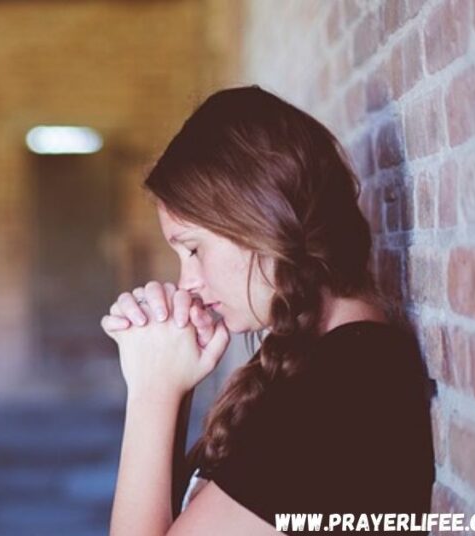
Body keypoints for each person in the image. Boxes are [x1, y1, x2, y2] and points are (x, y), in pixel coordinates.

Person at [101, 85, 434, 535]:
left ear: (261, 221)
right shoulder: (318, 364)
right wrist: (172, 385)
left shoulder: (345, 392)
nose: (187, 283)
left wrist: (151, 393)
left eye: (194, 249)